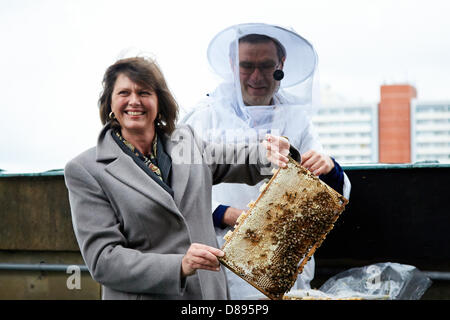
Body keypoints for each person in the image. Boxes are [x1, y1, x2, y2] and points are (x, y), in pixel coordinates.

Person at [64, 56, 294, 300]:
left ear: (159, 101)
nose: (134, 101)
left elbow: (239, 158)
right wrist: (179, 266)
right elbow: (103, 260)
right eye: (123, 93)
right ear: (110, 102)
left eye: (144, 92)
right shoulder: (86, 170)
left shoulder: (187, 142)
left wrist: (272, 153)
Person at [182, 23, 351, 299]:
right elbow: (176, 187)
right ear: (231, 65)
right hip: (221, 262)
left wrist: (329, 166)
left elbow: (330, 191)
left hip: (284, 262)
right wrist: (226, 214)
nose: (257, 76)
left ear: (282, 63)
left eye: (267, 66)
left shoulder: (296, 118)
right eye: (247, 66)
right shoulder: (202, 118)